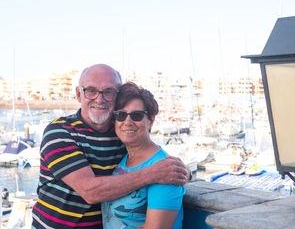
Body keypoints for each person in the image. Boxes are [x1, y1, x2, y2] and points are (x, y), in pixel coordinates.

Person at [32, 64, 189, 229]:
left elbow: (150, 155)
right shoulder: (60, 132)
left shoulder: (121, 134)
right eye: (91, 90)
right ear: (79, 94)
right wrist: (154, 173)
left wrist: (179, 170)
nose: (99, 99)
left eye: (108, 92)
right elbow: (90, 191)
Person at [102, 82, 185, 229]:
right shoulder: (124, 159)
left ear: (150, 121)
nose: (127, 122)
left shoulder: (165, 170)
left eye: (137, 115)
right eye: (121, 115)